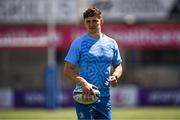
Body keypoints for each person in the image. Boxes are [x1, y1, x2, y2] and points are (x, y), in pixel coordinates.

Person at [64, 6, 123, 120]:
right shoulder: (78, 43)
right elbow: (67, 69)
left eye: (94, 21)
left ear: (101, 21)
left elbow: (118, 65)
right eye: (88, 21)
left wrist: (115, 76)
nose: (91, 24)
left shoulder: (112, 43)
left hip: (105, 98)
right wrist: (83, 83)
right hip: (84, 96)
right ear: (84, 23)